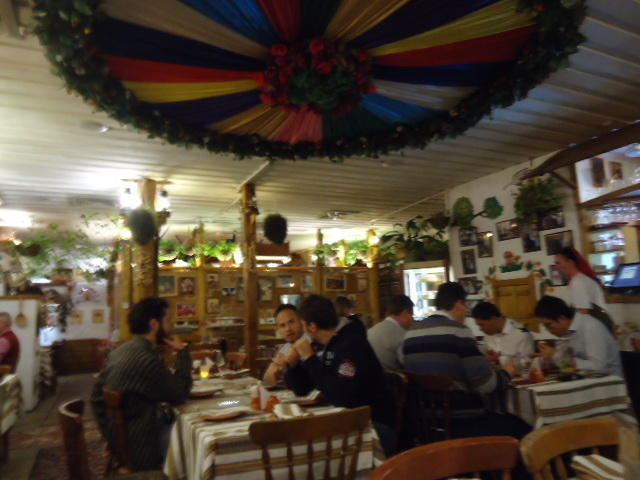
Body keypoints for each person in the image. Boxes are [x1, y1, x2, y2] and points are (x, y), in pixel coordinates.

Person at [401, 283, 530, 440]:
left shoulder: (411, 332)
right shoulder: (459, 331)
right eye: (466, 307)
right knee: (523, 427)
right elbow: (486, 385)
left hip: (425, 424)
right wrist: (507, 372)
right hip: (462, 421)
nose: (466, 313)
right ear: (460, 304)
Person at [284, 295, 396, 455]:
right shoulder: (324, 345)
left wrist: (309, 358)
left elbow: (339, 396)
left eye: (302, 324)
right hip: (346, 418)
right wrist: (294, 366)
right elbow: (303, 390)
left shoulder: (351, 344)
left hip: (374, 425)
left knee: (305, 447)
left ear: (312, 326)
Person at [91, 297, 192, 470]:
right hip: (143, 446)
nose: (172, 326)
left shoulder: (121, 351)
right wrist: (182, 352)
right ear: (154, 324)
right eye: (168, 320)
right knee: (193, 440)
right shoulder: (146, 359)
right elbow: (180, 394)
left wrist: (112, 438)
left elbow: (95, 398)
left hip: (128, 440)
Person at [534, 295, 622, 377]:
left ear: (562, 318)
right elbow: (566, 361)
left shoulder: (590, 326)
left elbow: (598, 366)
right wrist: (548, 358)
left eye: (549, 325)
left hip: (609, 382)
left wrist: (555, 355)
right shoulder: (569, 332)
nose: (549, 331)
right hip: (587, 379)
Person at [555, 247, 612, 332]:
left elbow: (584, 313)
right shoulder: (580, 279)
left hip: (594, 332)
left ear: (570, 262)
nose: (556, 267)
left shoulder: (578, 282)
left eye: (558, 263)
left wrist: (571, 331)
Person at [472, 302, 534, 367]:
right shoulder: (488, 334)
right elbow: (486, 353)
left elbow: (528, 362)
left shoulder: (521, 334)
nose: (480, 329)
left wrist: (500, 360)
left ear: (493, 319)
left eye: (481, 325)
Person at [367, 295, 414, 370]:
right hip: (388, 376)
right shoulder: (402, 334)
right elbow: (409, 364)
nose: (413, 319)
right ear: (405, 313)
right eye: (412, 315)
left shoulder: (370, 330)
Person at [262, 304, 305, 386]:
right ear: (278, 329)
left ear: (301, 321)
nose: (288, 329)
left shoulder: (312, 343)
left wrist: (288, 368)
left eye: (291, 322)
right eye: (282, 325)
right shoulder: (285, 348)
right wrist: (271, 373)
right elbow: (267, 382)